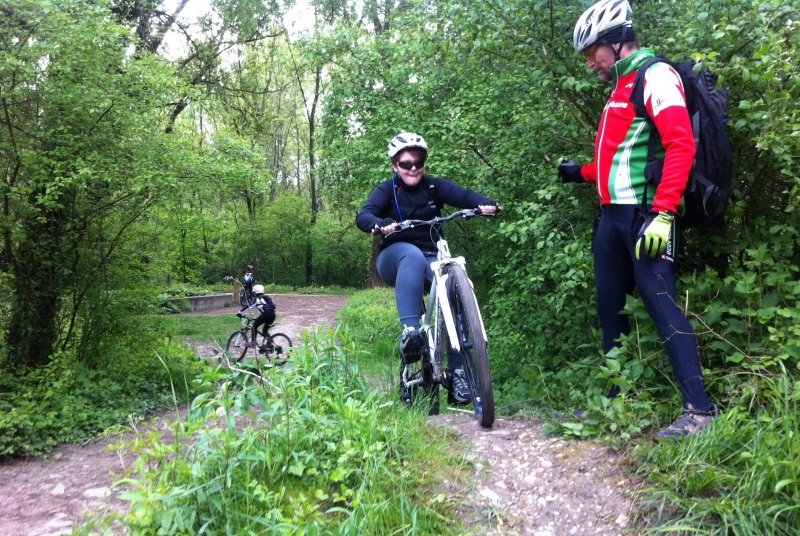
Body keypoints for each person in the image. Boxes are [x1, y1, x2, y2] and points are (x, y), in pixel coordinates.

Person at [560, 0, 717, 440]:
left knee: (661, 303)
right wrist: (583, 173)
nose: (590, 61)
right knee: (609, 307)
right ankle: (616, 398)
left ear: (616, 41)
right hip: (612, 218)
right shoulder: (620, 87)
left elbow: (680, 143)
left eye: (593, 51)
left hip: (647, 215)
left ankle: (700, 411)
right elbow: (622, 157)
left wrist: (665, 213)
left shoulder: (655, 76)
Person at [356, 131, 499, 405]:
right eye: (406, 163)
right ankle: (411, 334)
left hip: (432, 256)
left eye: (418, 163)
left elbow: (465, 195)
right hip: (394, 258)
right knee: (412, 255)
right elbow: (364, 215)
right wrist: (379, 224)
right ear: (395, 165)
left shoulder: (433, 187)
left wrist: (486, 204)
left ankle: (458, 372)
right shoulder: (387, 189)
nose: (413, 169)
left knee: (452, 278)